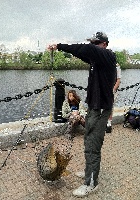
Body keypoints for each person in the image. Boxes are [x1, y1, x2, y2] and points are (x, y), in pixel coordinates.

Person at [48, 31, 116, 197]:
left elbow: (85, 49)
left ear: (104, 44)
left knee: (93, 146)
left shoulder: (108, 56)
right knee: (88, 139)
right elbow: (80, 52)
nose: (93, 45)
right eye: (92, 42)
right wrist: (63, 50)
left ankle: (91, 183)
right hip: (93, 107)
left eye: (96, 42)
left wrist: (59, 45)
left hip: (101, 110)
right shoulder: (95, 59)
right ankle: (88, 171)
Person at [106, 63, 121, 133]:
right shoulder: (104, 65)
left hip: (112, 90)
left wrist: (113, 90)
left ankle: (109, 124)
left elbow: (118, 80)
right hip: (104, 89)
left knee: (110, 106)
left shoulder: (117, 67)